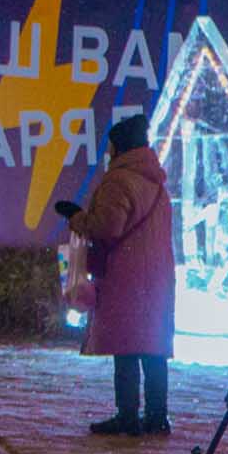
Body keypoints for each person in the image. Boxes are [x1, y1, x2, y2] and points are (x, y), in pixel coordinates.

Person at [55, 114, 176, 436]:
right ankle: (157, 415)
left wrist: (77, 217)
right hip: (157, 278)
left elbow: (107, 228)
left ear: (119, 146)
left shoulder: (119, 181)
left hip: (126, 276)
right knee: (152, 347)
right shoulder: (157, 182)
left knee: (126, 347)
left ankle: (127, 415)